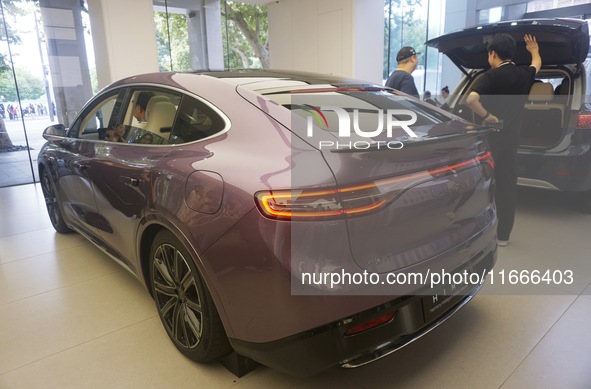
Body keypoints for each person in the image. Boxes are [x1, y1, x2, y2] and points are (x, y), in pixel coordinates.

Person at [466, 33, 541, 247]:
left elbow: (471, 99)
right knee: (508, 187)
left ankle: (477, 231)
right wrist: (533, 50)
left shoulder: (490, 77)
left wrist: (488, 116)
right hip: (511, 142)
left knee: (484, 185)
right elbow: (536, 64)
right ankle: (504, 236)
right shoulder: (524, 74)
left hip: (491, 141)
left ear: (493, 54)